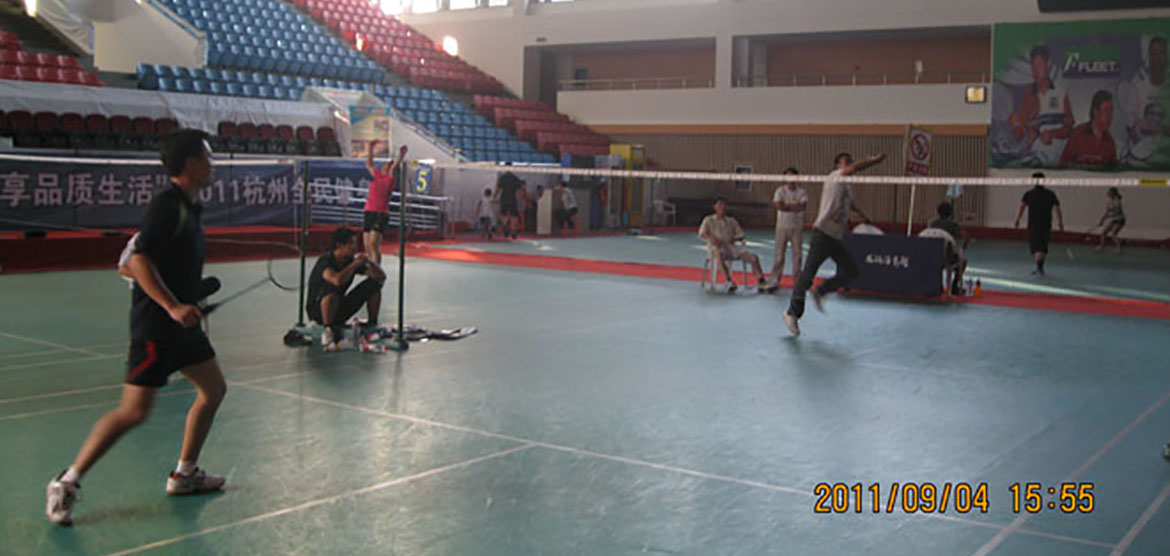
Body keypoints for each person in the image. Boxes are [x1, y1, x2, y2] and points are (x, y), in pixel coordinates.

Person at [46, 129, 228, 527]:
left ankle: (185, 474)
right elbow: (135, 261)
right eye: (207, 158)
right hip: (156, 328)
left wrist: (190, 296)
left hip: (183, 328)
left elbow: (166, 264)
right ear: (191, 163)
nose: (212, 165)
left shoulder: (190, 208)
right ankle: (67, 481)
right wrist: (172, 305)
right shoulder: (168, 206)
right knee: (134, 412)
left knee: (214, 389)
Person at [783, 152, 885, 337]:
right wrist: (873, 161)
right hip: (822, 234)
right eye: (846, 162)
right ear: (838, 165)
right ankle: (791, 313)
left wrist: (864, 216)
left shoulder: (846, 186)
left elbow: (851, 204)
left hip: (835, 237)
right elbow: (854, 169)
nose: (850, 165)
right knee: (808, 274)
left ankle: (821, 291)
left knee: (852, 270)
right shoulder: (835, 177)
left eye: (850, 161)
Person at [307, 227, 387, 349]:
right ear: (339, 245)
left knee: (374, 284)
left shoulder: (350, 261)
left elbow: (381, 276)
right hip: (318, 312)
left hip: (339, 307)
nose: (355, 247)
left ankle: (372, 323)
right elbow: (336, 280)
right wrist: (353, 265)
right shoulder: (326, 261)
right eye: (351, 243)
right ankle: (328, 329)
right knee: (332, 288)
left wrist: (369, 263)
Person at [1009, 45, 1074, 167]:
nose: (1035, 71)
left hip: (1058, 162)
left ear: (1048, 65)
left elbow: (1069, 129)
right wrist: (1016, 125)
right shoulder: (1027, 97)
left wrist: (1052, 134)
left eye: (1039, 65)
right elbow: (1019, 136)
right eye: (1033, 66)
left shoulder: (1060, 93)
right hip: (1036, 160)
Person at [698, 197, 769, 293]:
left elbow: (741, 235)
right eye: (719, 205)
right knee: (718, 253)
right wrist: (712, 238)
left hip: (731, 247)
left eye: (723, 205)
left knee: (753, 257)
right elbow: (702, 234)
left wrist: (734, 239)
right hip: (716, 247)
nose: (722, 207)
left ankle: (761, 281)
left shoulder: (731, 221)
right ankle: (729, 281)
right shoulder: (708, 220)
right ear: (715, 207)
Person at [1119, 36, 1169, 167]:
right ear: (1149, 57)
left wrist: (1158, 129)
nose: (1158, 58)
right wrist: (1136, 137)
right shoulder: (1137, 84)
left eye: (1161, 53)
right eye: (1154, 54)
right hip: (1140, 162)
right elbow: (1130, 126)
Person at [363, 141, 408, 265]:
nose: (384, 166)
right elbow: (369, 164)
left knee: (373, 244)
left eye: (387, 165)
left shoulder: (390, 179)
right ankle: (370, 266)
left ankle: (376, 268)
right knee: (367, 245)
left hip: (381, 213)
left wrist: (401, 155)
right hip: (369, 211)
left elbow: (394, 167)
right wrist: (370, 148)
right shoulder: (377, 176)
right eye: (384, 165)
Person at [1014, 172, 1064, 276]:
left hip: (1033, 223)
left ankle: (1039, 268)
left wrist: (1017, 219)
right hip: (1046, 223)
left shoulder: (1029, 194)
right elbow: (1057, 209)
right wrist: (1060, 222)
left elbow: (1021, 207)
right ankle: (1040, 267)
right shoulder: (1050, 194)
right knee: (1042, 245)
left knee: (1037, 246)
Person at [768, 167, 808, 289]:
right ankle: (775, 279)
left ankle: (797, 280)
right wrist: (793, 207)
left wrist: (787, 206)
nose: (791, 179)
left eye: (793, 176)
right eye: (788, 176)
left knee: (797, 255)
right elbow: (779, 206)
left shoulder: (802, 192)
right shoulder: (780, 191)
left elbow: (802, 207)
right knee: (779, 254)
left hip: (797, 227)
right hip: (782, 227)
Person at [1060, 90, 1119, 169]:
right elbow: (1063, 164)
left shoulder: (1110, 141)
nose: (1110, 116)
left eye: (1112, 111)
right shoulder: (1078, 133)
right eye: (1106, 111)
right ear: (1096, 112)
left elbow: (1113, 171)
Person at [927, 201, 969, 295]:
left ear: (938, 212)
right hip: (947, 257)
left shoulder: (932, 223)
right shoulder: (953, 225)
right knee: (963, 262)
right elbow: (965, 236)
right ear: (951, 213)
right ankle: (954, 286)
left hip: (932, 256)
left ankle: (936, 285)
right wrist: (963, 248)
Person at [493, 163, 523, 239]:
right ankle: (513, 231)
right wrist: (520, 197)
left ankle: (505, 226)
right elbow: (519, 189)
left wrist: (494, 197)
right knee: (513, 215)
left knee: (503, 215)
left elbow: (498, 189)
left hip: (504, 198)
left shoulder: (502, 178)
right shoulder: (515, 178)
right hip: (512, 198)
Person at [1095, 187, 1125, 253]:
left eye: (1109, 192)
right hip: (1114, 220)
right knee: (1103, 233)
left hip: (1120, 220)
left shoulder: (1117, 202)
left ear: (1113, 193)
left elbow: (1117, 212)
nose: (1108, 193)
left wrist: (1110, 216)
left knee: (1113, 234)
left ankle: (1119, 248)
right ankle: (1102, 247)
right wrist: (1101, 221)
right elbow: (1107, 212)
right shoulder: (1109, 202)